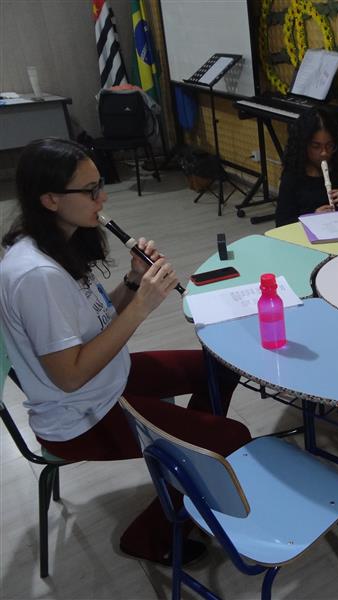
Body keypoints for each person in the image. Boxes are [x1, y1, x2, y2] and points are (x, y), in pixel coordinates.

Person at [0, 138, 252, 565]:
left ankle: (185, 461)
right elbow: (69, 376)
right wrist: (141, 307)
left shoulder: (58, 239)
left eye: (100, 184)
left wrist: (134, 282)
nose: (103, 198)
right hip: (81, 414)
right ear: (50, 199)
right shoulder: (37, 275)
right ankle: (152, 534)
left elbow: (95, 321)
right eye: (90, 190)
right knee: (232, 439)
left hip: (106, 379)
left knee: (221, 366)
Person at [274, 107, 338, 227]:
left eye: (330, 145)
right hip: (304, 236)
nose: (324, 153)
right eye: (316, 146)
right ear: (304, 145)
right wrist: (312, 218)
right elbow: (281, 224)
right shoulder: (293, 175)